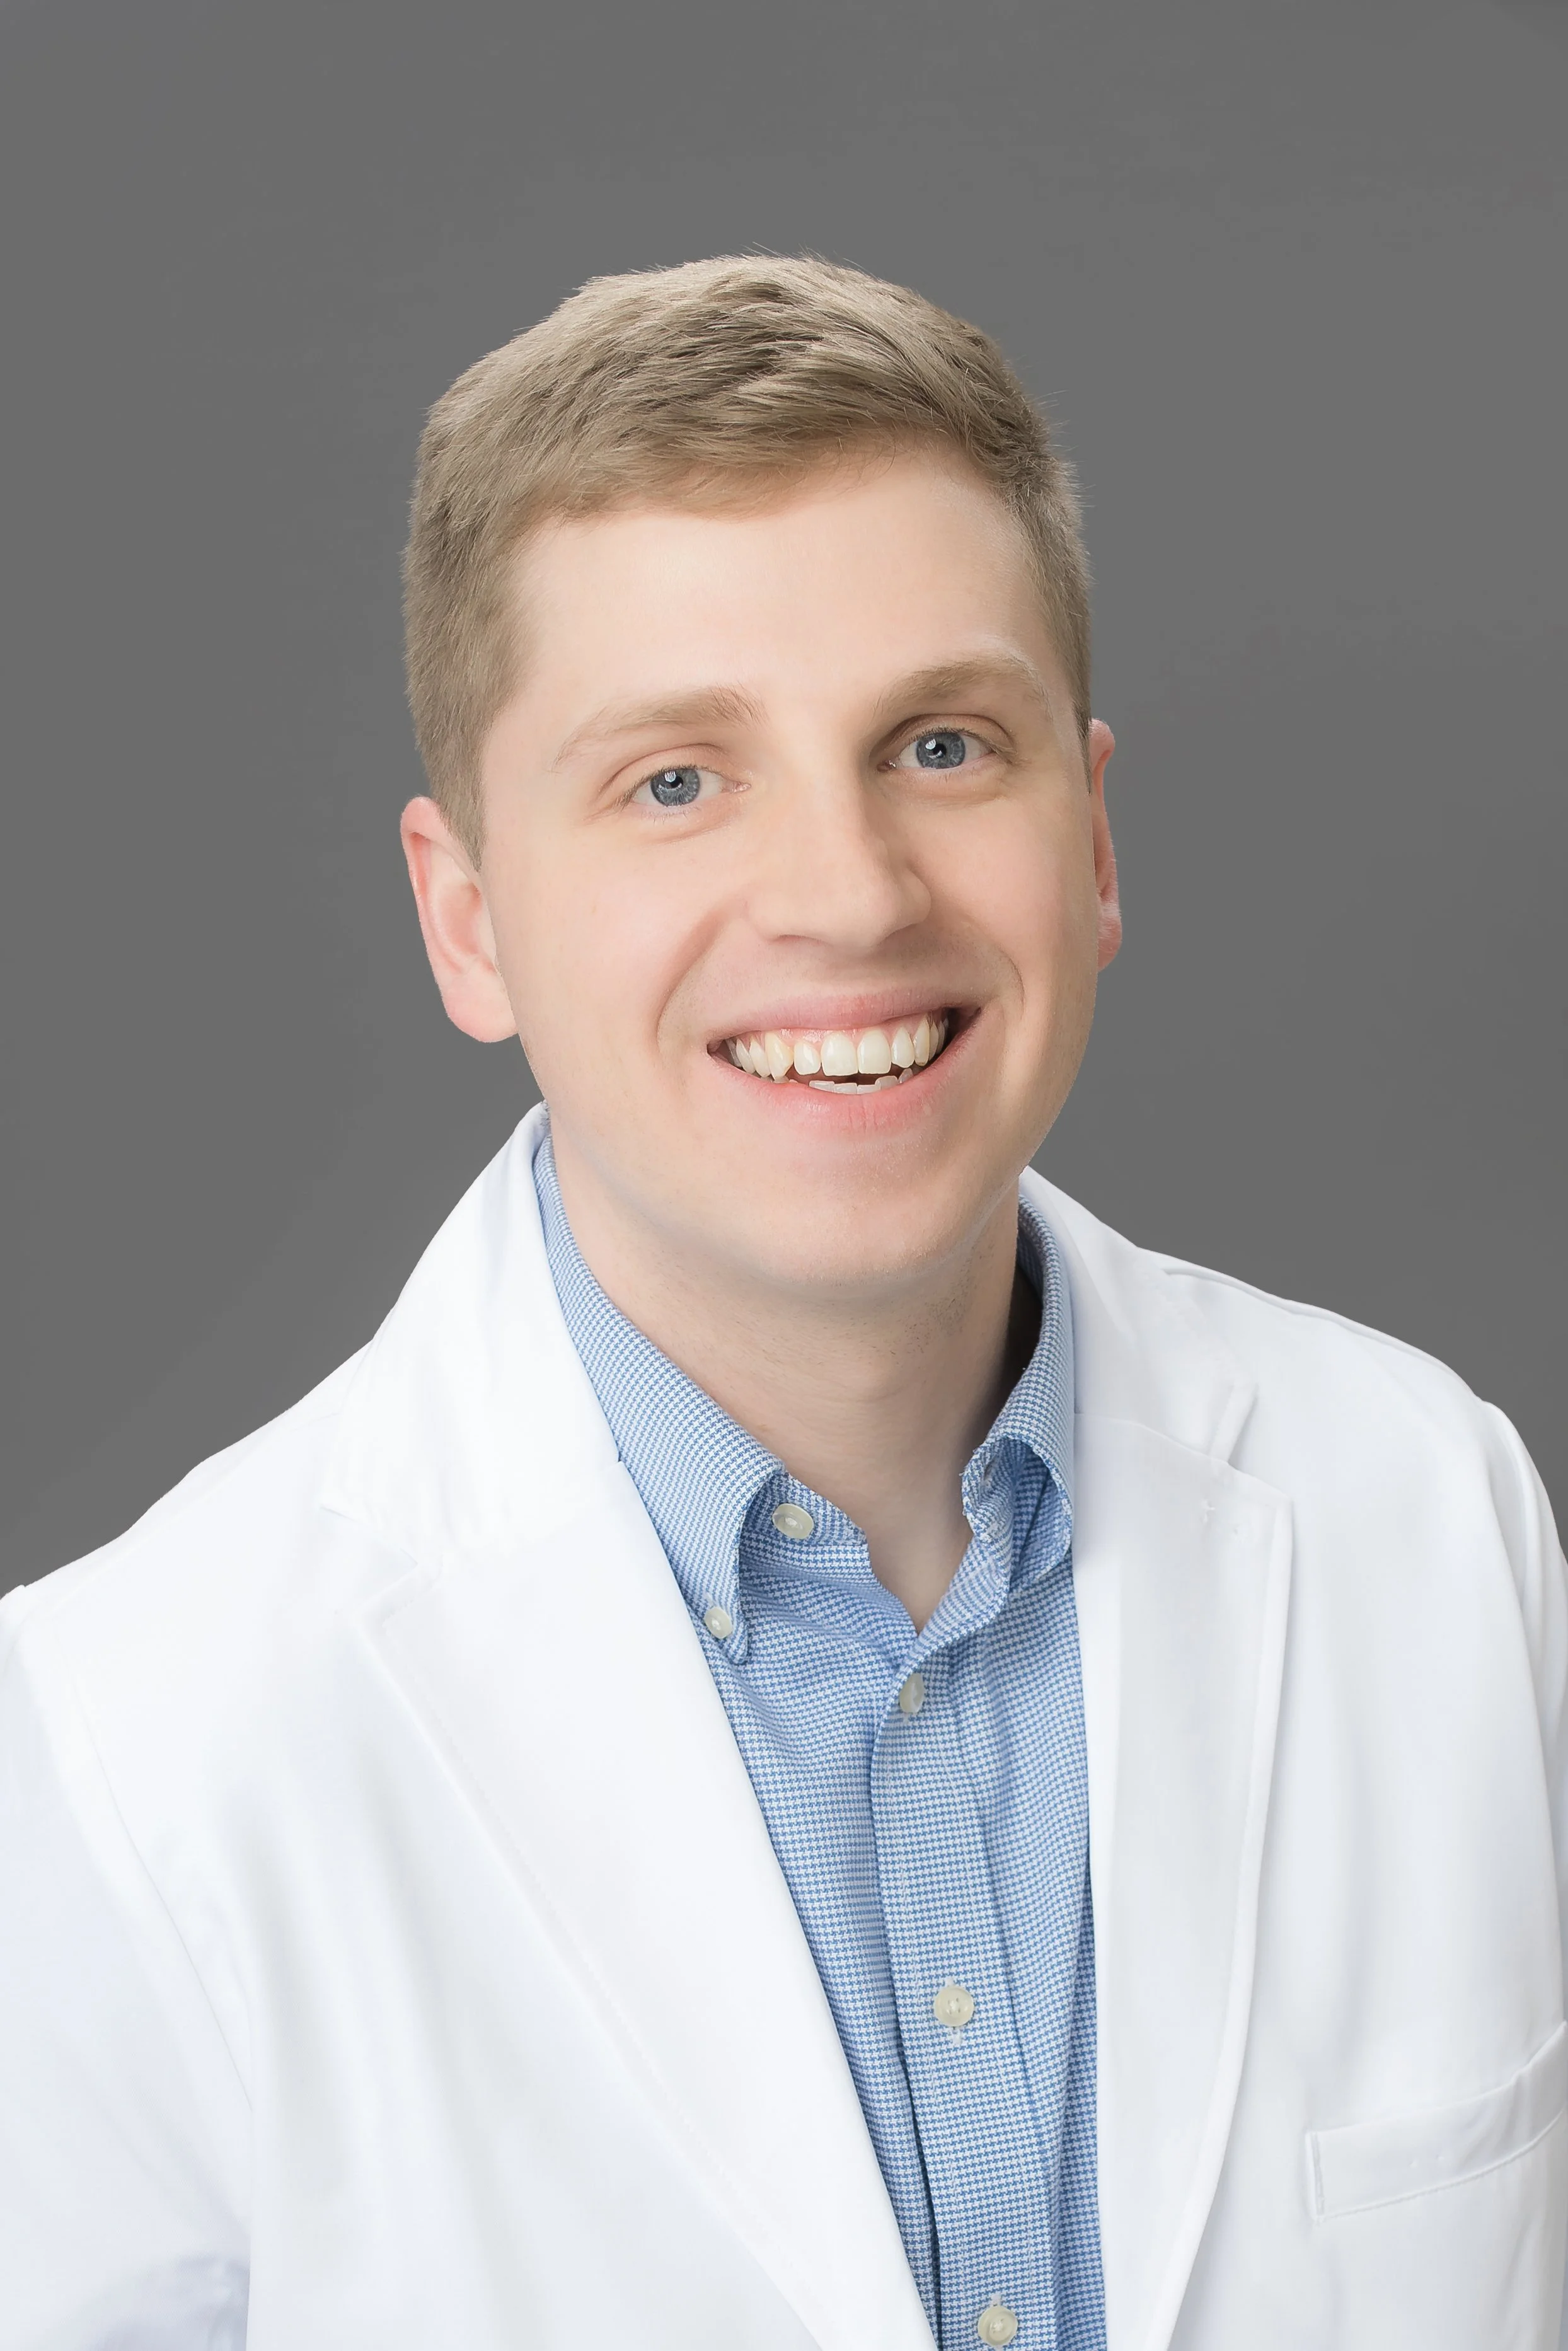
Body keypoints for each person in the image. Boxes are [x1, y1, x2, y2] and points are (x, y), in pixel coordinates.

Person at [1, 256, 1563, 2351]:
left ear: (1091, 834)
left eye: (940, 742)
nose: (847, 891)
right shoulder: (115, 1754)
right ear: (469, 924)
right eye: (674, 779)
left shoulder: (1437, 1513)